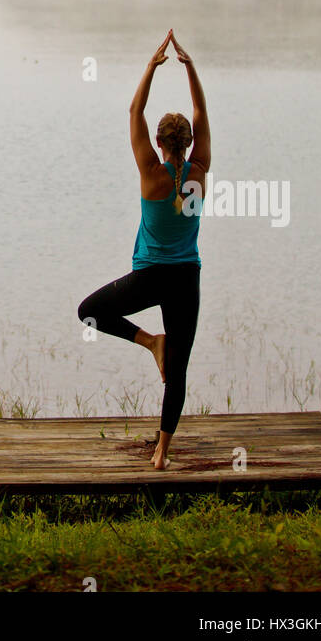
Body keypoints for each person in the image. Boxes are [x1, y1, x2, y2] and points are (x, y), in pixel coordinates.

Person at [77, 28, 210, 469]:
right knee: (180, 368)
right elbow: (200, 109)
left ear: (158, 143)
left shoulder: (149, 172)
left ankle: (149, 341)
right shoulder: (200, 170)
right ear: (188, 144)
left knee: (89, 311)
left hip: (149, 276)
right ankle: (161, 453)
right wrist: (189, 67)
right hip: (185, 278)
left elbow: (135, 108)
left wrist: (151, 67)